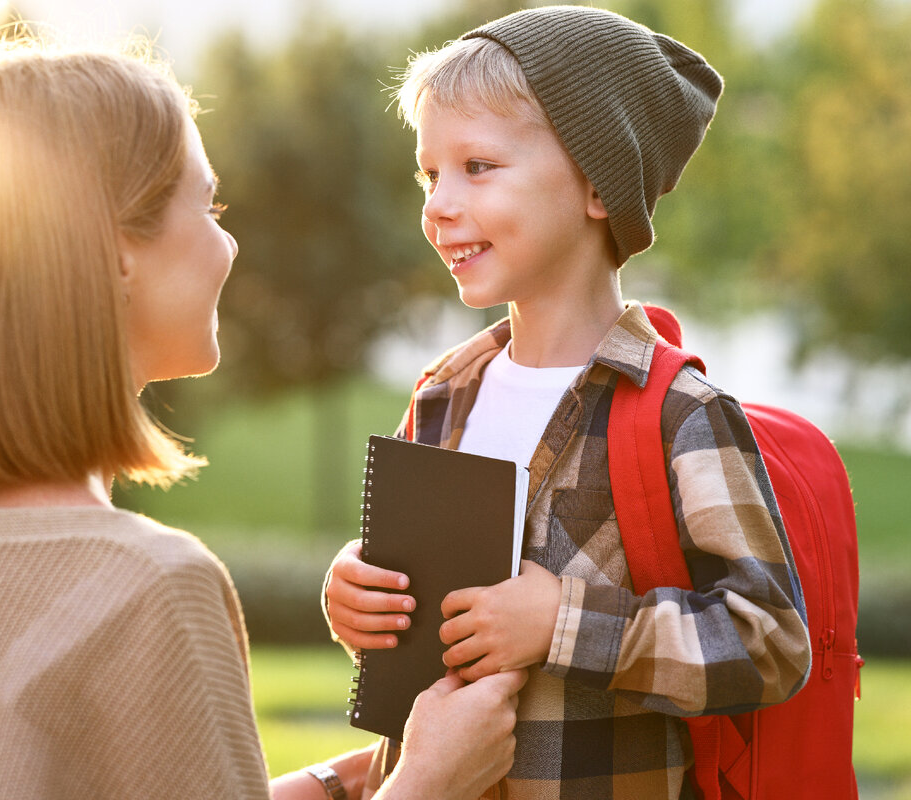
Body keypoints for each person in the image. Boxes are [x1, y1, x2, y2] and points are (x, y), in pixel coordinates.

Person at [0, 39, 528, 800]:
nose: (228, 242)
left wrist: (331, 787)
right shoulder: (148, 588)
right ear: (116, 253)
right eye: (207, 206)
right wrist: (432, 782)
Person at [322, 6, 813, 799]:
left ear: (595, 183)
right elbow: (426, 620)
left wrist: (564, 625)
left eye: (478, 166)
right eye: (429, 173)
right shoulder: (443, 394)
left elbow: (771, 643)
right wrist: (360, 597)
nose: (438, 204)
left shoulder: (678, 413)